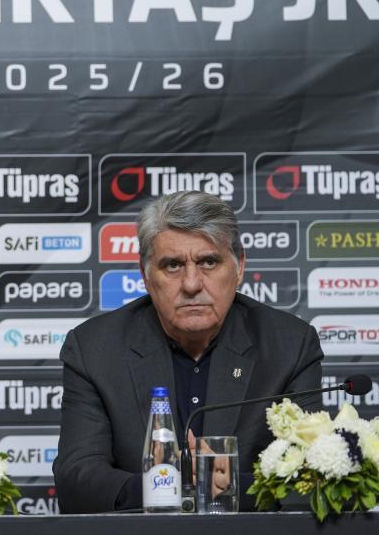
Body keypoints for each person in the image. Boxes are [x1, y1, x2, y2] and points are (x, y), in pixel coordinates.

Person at [53, 190, 323, 513]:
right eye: (173, 265)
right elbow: (76, 478)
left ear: (239, 267)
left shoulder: (289, 346)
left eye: (209, 262)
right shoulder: (95, 349)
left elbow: (313, 477)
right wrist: (165, 485)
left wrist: (224, 483)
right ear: (145, 275)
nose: (192, 284)